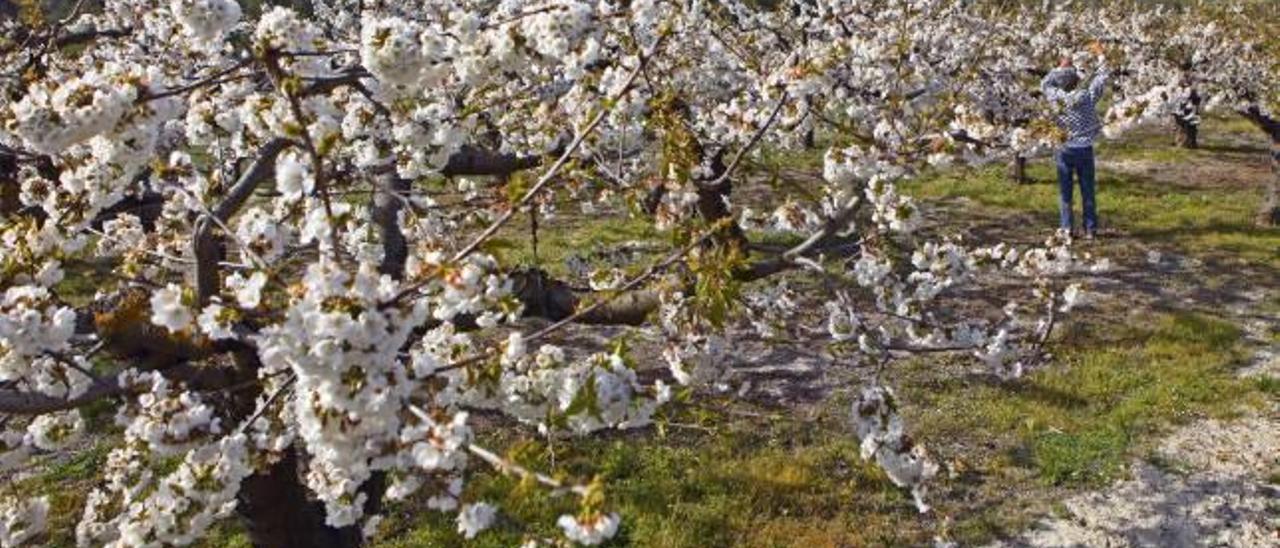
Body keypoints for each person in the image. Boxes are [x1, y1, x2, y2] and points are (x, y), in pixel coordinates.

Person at [1041, 46, 1110, 240]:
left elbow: (1045, 83)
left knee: (1065, 192)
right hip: (1084, 149)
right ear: (1077, 80)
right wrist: (1100, 55)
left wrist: (1061, 66)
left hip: (1064, 149)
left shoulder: (1055, 97)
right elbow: (1102, 77)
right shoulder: (1087, 97)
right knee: (1087, 190)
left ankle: (1067, 228)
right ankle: (1090, 229)